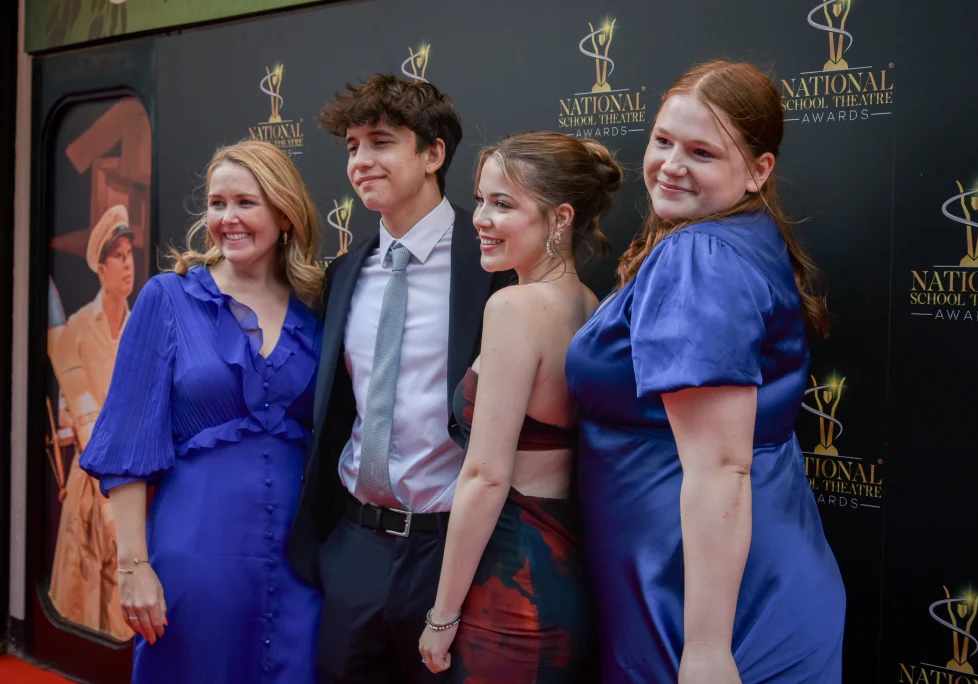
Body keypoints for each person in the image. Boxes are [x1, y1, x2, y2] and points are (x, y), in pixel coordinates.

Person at [565, 60, 846, 683]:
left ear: (758, 171)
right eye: (663, 140)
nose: (670, 164)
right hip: (724, 574)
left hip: (708, 603)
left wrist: (708, 649)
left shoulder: (702, 254)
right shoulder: (736, 232)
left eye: (702, 152)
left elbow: (720, 466)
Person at [287, 73, 511, 684]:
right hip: (354, 544)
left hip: (455, 551)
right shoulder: (346, 273)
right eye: (352, 147)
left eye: (381, 142)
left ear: (433, 154)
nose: (360, 161)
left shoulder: (492, 263)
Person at [79, 139, 324, 683]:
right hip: (195, 559)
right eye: (217, 204)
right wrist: (134, 567)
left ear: (285, 214)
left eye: (245, 203)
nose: (227, 218)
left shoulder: (317, 309)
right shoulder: (167, 299)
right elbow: (127, 447)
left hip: (299, 566)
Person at [417, 131, 619, 682]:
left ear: (560, 219)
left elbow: (485, 477)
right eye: (481, 200)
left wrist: (442, 616)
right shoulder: (588, 304)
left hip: (512, 581)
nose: (481, 218)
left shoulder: (515, 306)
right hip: (563, 568)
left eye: (503, 204)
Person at [48, 204, 136, 641]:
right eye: (118, 256)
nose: (128, 264)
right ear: (101, 269)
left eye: (130, 254)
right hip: (88, 483)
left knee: (124, 603)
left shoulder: (141, 328)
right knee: (81, 598)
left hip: (131, 480)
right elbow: (70, 409)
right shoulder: (79, 328)